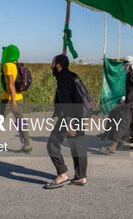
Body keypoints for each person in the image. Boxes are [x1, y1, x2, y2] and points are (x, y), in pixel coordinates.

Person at [44, 54, 88, 189]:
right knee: (78, 146)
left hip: (69, 117)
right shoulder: (73, 76)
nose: (51, 66)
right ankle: (81, 177)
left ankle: (62, 175)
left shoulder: (63, 79)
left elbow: (67, 101)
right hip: (79, 115)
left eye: (52, 63)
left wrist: (68, 122)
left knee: (52, 144)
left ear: (58, 66)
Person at [0, 44, 31, 153]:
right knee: (21, 121)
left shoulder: (8, 66)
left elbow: (10, 84)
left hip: (9, 99)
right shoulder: (17, 64)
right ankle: (27, 145)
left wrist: (13, 101)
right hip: (19, 97)